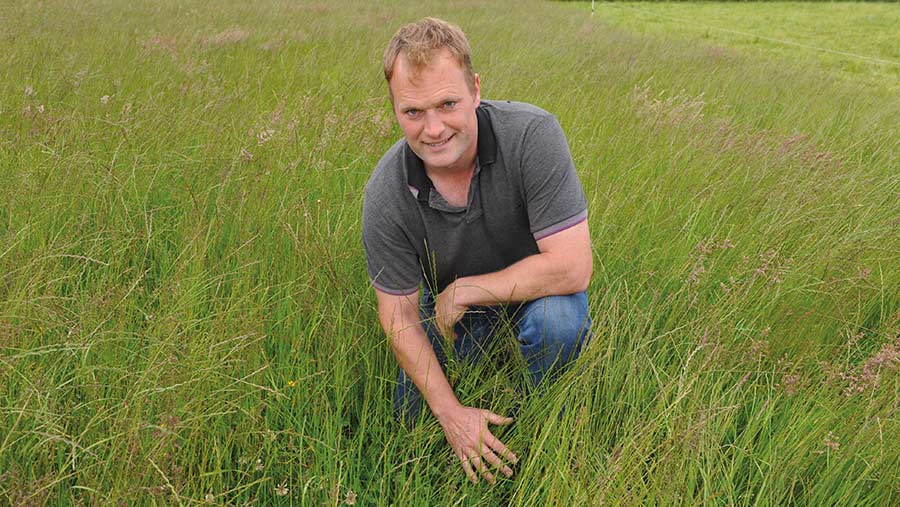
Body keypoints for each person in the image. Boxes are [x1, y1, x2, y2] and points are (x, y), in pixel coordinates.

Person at [362, 17, 593, 485]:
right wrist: (451, 415)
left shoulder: (533, 135)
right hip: (451, 316)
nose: (433, 129)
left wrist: (468, 288)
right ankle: (467, 415)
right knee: (409, 419)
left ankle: (538, 418)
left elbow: (573, 267)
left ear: (475, 90)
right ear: (394, 111)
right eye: (412, 112)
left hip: (534, 293)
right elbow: (399, 317)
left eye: (448, 104)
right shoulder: (386, 192)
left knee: (558, 325)